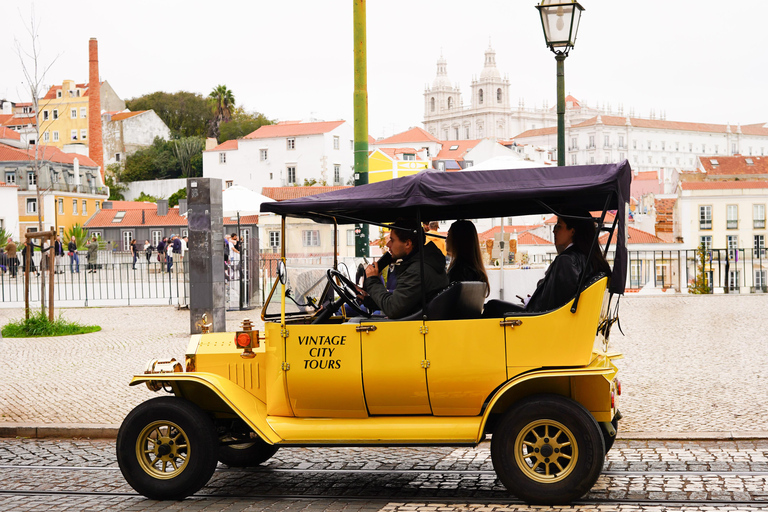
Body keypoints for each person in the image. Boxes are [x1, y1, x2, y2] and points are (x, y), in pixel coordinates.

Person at [485, 210, 611, 315]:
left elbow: (556, 305)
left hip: (541, 322)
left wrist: (534, 301)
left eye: (559, 226)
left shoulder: (567, 260)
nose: (554, 231)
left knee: (492, 306)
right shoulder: (589, 258)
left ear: (572, 231)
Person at [362, 218, 448, 319]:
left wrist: (373, 280)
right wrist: (367, 300)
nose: (388, 244)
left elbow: (393, 309)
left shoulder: (416, 270)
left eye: (392, 240)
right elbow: (405, 302)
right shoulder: (424, 264)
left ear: (407, 244)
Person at [446, 220, 490, 297]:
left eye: (448, 235)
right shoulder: (477, 272)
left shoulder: (458, 272)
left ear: (457, 240)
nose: (446, 240)